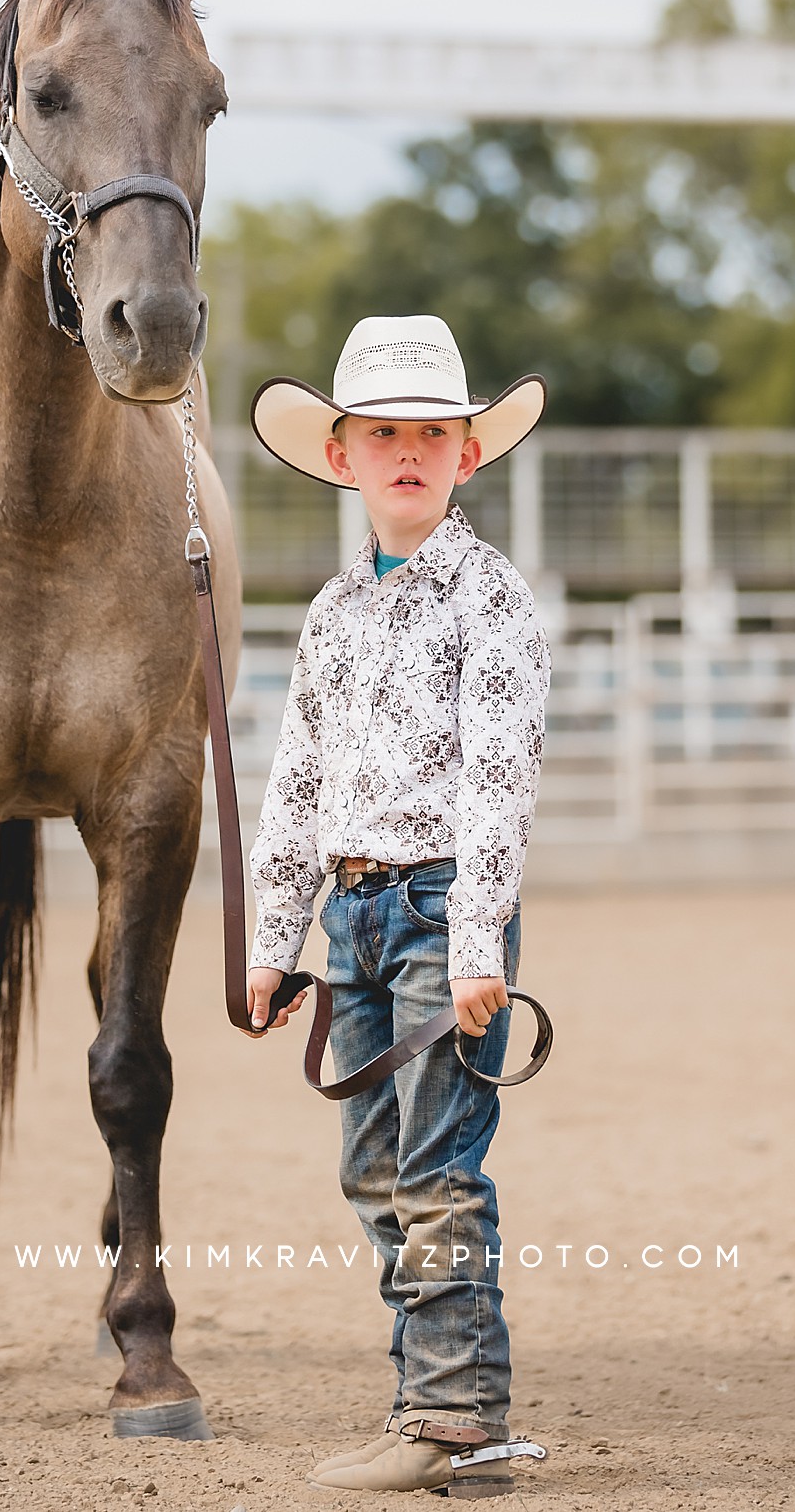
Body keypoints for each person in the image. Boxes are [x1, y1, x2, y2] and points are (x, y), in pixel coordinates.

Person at [245, 315, 551, 1497]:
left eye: (434, 431)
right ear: (344, 455)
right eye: (386, 433)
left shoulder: (493, 602)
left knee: (435, 1166)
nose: (410, 451)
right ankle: (429, 1397)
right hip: (353, 912)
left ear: (468, 455)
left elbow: (497, 784)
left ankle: (459, 1412)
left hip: (438, 913)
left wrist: (478, 937)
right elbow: (299, 779)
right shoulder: (332, 613)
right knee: (374, 1169)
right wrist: (276, 940)